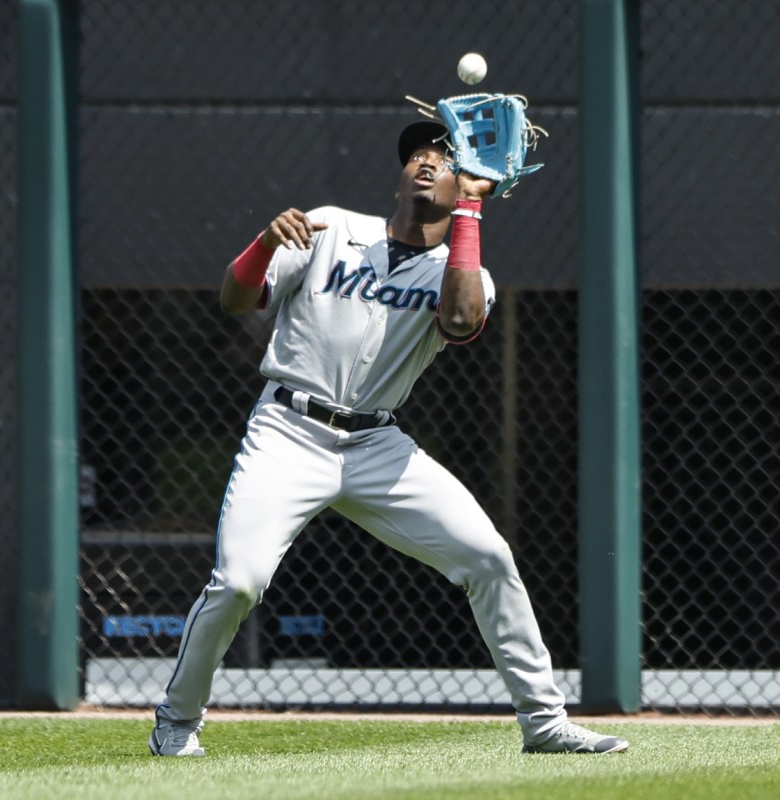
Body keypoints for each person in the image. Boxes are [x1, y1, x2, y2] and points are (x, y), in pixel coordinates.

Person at [148, 119, 629, 757]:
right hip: (288, 431)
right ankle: (176, 723)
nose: (426, 161)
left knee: (489, 558)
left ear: (467, 184)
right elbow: (237, 300)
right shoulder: (331, 227)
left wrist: (471, 212)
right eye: (419, 154)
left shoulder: (466, 271)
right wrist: (264, 243)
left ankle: (544, 723)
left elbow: (459, 322)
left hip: (377, 445)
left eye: (444, 157)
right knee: (239, 582)